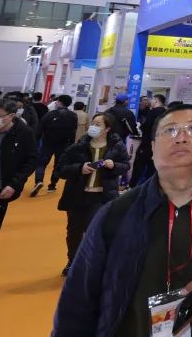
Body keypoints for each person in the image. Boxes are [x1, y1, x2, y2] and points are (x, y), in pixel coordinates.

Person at [53, 103, 192, 336]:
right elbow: (79, 295)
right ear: (153, 147)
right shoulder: (117, 212)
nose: (181, 138)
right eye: (170, 130)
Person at [57, 113, 130, 275]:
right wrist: (79, 168)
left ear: (107, 129)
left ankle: (91, 264)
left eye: (98, 124)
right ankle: (73, 261)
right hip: (77, 195)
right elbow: (61, 169)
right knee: (74, 231)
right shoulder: (79, 145)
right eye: (93, 123)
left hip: (102, 196)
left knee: (94, 231)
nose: (93, 127)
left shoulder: (117, 146)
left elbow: (125, 166)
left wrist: (114, 165)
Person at [0, 98, 38, 240]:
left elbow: (31, 161)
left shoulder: (24, 133)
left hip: (0, 189)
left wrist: (14, 184)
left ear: (11, 116)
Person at [30, 94, 77, 197]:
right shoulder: (73, 116)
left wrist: (36, 142)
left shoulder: (50, 114)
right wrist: (71, 145)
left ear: (59, 102)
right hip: (63, 144)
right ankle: (52, 185)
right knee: (58, 165)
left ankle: (39, 181)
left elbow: (40, 129)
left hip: (47, 142)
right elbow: (73, 132)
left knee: (41, 164)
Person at [130, 94, 166, 187]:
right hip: (159, 144)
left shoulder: (153, 112)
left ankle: (134, 186)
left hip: (147, 142)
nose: (150, 101)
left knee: (139, 164)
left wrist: (141, 126)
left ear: (156, 101)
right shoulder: (166, 113)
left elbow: (147, 125)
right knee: (152, 167)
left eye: (152, 99)